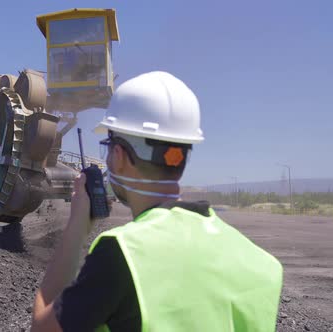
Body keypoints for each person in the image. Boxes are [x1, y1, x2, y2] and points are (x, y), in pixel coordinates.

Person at [31, 71, 283, 331]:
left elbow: (42, 328)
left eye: (107, 147)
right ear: (182, 155)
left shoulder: (121, 254)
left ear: (118, 155)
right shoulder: (262, 264)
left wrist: (77, 227)